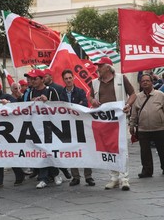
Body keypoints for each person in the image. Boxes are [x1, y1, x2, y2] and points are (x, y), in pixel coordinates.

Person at [90, 57, 136, 191]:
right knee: (108, 148)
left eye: (100, 66)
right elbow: (91, 97)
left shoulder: (121, 78)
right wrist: (92, 101)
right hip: (104, 120)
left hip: (119, 119)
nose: (97, 68)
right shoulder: (94, 82)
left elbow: (133, 94)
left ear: (108, 68)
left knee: (122, 148)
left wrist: (128, 105)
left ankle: (124, 178)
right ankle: (114, 177)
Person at [0, 80, 25, 188]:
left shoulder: (7, 97)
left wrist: (8, 104)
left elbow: (18, 107)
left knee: (10, 155)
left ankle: (19, 175)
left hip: (8, 133)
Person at [26, 69, 63, 189]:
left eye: (35, 78)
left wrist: (48, 102)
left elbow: (59, 106)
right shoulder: (31, 92)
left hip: (49, 126)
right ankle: (43, 178)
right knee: (40, 152)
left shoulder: (51, 91)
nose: (32, 81)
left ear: (42, 79)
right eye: (31, 79)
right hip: (36, 126)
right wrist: (30, 102)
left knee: (49, 151)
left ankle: (55, 173)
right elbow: (23, 108)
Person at [59, 70, 95, 187]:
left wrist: (71, 107)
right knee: (71, 149)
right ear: (63, 80)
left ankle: (88, 176)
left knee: (84, 149)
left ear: (73, 78)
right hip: (67, 125)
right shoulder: (61, 93)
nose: (68, 80)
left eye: (70, 78)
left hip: (80, 124)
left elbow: (83, 105)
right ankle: (75, 177)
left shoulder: (80, 91)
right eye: (66, 78)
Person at [129, 73, 164, 178]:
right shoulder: (138, 97)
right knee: (145, 152)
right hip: (143, 129)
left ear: (152, 82)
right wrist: (131, 126)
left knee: (162, 150)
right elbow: (134, 113)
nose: (145, 82)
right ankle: (147, 171)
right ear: (140, 83)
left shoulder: (160, 95)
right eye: (143, 81)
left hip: (159, 128)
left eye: (147, 80)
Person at [43, 68, 71, 180]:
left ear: (50, 76)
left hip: (56, 122)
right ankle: (54, 173)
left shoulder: (58, 88)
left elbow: (60, 104)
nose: (44, 78)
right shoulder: (35, 90)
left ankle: (63, 170)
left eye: (45, 76)